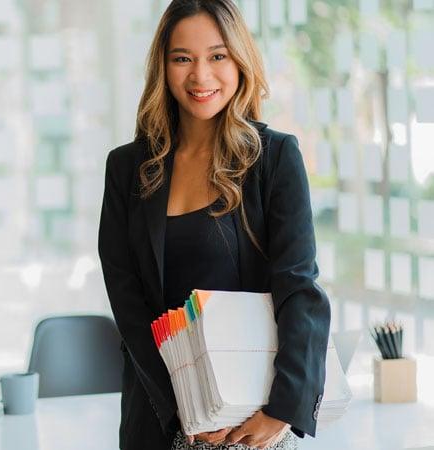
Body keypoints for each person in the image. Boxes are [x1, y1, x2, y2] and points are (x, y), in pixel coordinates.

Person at [97, 1, 331, 449]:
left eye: (217, 56)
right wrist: (179, 413)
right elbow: (128, 305)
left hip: (250, 422)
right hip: (158, 419)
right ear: (163, 68)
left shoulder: (275, 158)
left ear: (240, 60)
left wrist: (283, 411)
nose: (200, 76)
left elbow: (299, 289)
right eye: (182, 58)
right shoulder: (126, 168)